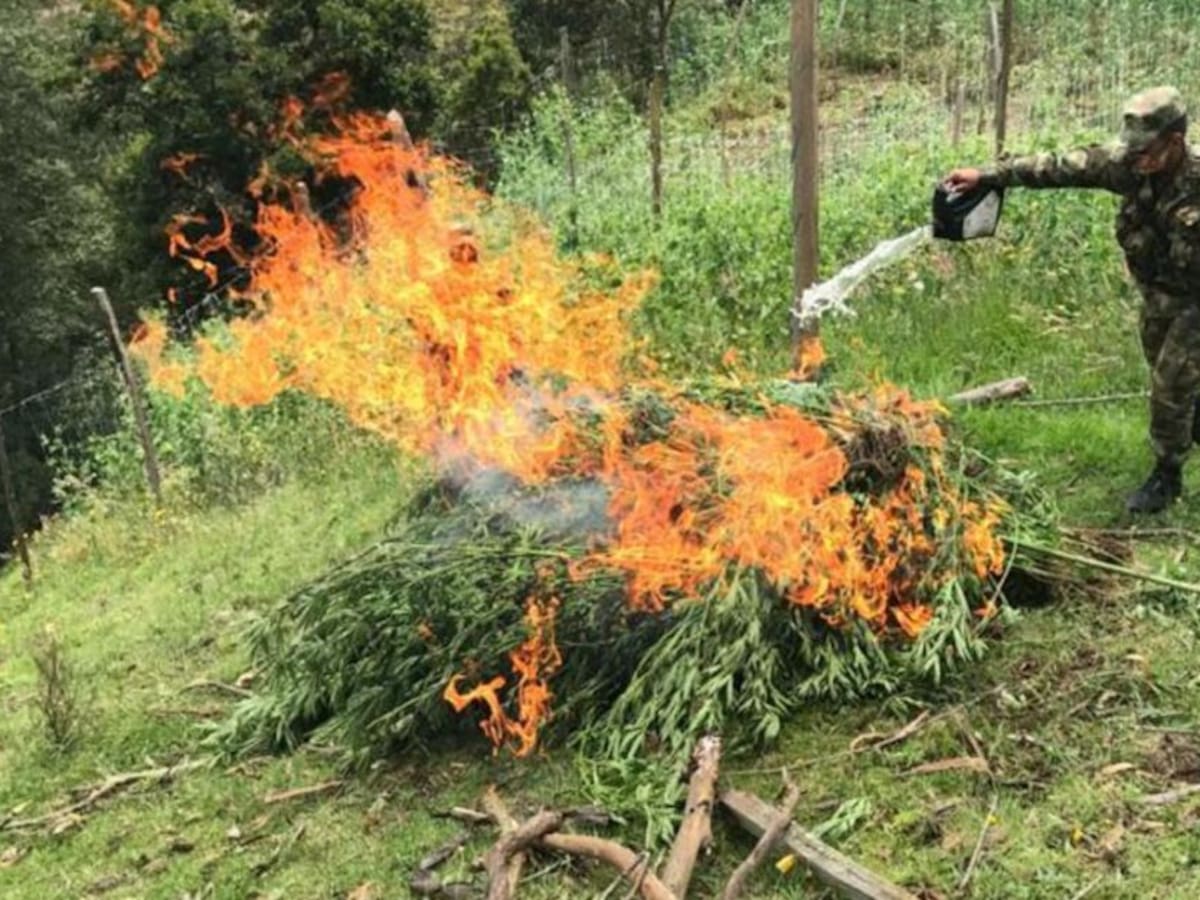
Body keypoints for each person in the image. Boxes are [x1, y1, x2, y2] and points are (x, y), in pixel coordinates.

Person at [945, 85, 1200, 514]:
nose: (1136, 158)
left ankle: (1166, 475)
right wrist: (987, 174)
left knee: (1170, 383)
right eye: (1132, 150)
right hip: (1160, 293)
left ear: (1174, 142)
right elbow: (1057, 167)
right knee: (1164, 367)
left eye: (1146, 150)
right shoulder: (1127, 166)